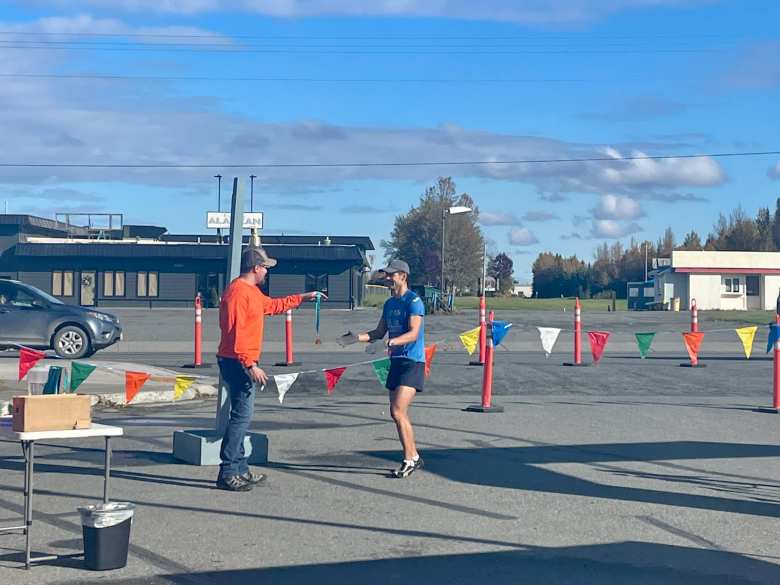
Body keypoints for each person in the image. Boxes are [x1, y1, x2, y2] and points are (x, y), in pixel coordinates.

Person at [216, 247, 325, 491]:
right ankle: (228, 471)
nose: (267, 271)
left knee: (242, 417)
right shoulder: (237, 293)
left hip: (240, 360)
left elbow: (273, 305)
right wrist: (250, 364)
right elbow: (236, 333)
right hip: (236, 361)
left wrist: (303, 297)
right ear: (255, 268)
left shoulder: (251, 292)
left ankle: (240, 469)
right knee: (240, 418)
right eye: (265, 267)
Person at [356, 259, 425, 478]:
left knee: (397, 410)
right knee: (397, 414)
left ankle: (408, 459)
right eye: (386, 275)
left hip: (412, 361)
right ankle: (413, 457)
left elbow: (414, 333)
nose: (387, 278)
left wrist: (392, 342)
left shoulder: (414, 301)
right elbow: (378, 332)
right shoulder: (389, 304)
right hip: (395, 361)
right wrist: (354, 338)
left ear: (403, 276)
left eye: (391, 275)